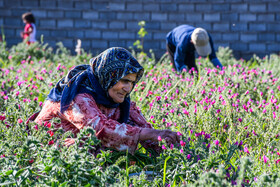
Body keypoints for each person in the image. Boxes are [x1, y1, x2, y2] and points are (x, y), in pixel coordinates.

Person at [27, 47, 180, 155]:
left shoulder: (116, 99)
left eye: (132, 83)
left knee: (109, 148)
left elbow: (144, 129)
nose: (128, 88)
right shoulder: (78, 96)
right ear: (109, 75)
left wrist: (167, 144)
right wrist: (146, 134)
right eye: (124, 80)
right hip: (47, 153)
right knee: (93, 146)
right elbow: (100, 130)